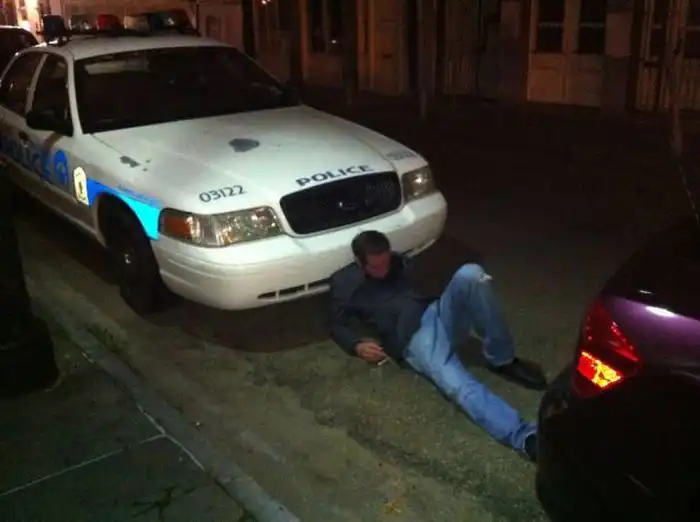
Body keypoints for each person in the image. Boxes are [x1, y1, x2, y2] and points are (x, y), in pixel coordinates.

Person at [329, 230, 547, 461]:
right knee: (459, 385)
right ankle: (525, 437)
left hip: (437, 312)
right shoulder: (345, 283)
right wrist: (356, 345)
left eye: (386, 261)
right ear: (359, 262)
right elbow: (335, 323)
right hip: (415, 340)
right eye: (376, 266)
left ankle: (503, 359)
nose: (383, 270)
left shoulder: (397, 262)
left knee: (472, 274)